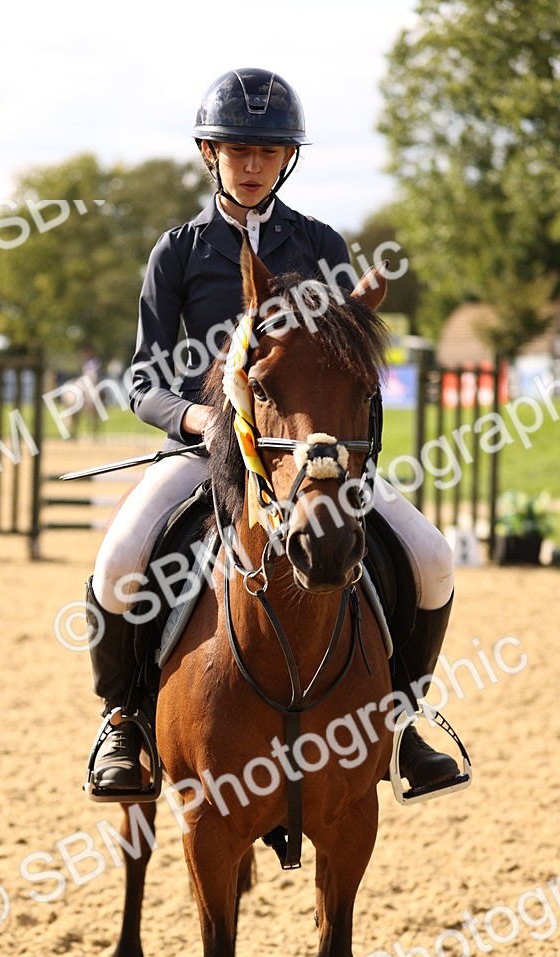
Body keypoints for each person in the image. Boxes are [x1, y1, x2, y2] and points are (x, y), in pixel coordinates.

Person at [85, 67, 460, 796]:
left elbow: (353, 357)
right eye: (238, 151)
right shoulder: (179, 252)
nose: (252, 166)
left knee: (433, 557)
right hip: (204, 450)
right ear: (210, 153)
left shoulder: (319, 243)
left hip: (310, 456)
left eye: (267, 152)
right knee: (120, 559)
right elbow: (142, 383)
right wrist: (203, 418)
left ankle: (404, 723)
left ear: (286, 159)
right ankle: (122, 721)